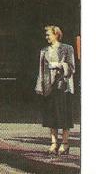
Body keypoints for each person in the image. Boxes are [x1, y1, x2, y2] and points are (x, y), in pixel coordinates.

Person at [35, 25, 75, 155]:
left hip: (63, 86)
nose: (46, 37)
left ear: (56, 34)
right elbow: (41, 70)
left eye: (48, 34)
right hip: (49, 86)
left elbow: (72, 67)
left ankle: (65, 143)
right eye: (46, 35)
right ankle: (53, 142)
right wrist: (40, 86)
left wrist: (58, 65)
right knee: (51, 115)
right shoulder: (44, 51)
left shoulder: (67, 49)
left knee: (63, 115)